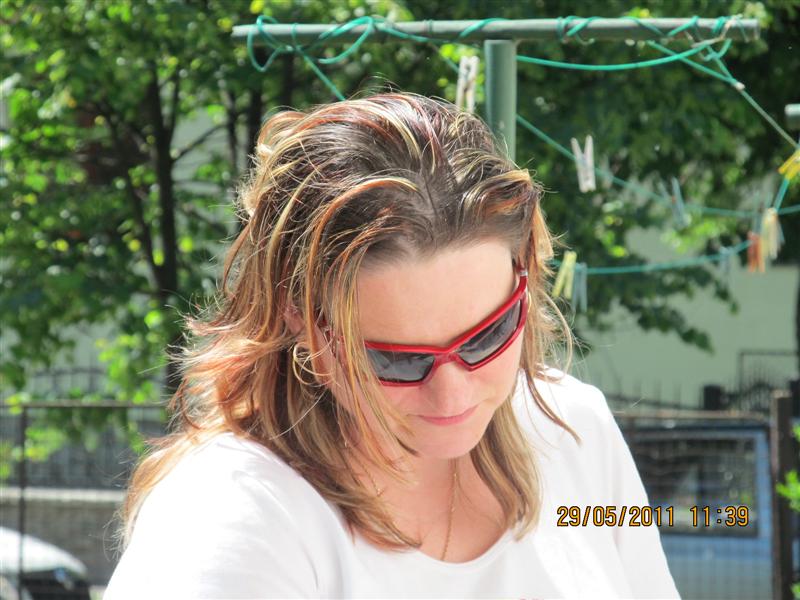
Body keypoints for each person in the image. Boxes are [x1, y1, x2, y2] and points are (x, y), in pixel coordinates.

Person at [104, 92, 680, 599]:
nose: (452, 393)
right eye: (396, 361)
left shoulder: (575, 433)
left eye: (489, 335)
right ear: (298, 318)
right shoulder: (233, 518)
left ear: (524, 274)